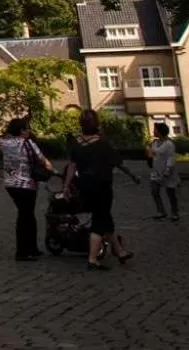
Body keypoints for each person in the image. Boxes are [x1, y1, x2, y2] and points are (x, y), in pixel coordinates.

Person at [65, 109, 140, 270]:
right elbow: (119, 163)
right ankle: (92, 258)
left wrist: (66, 185)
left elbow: (72, 165)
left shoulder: (75, 143)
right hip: (102, 185)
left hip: (85, 185)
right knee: (100, 220)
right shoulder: (102, 143)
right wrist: (133, 176)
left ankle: (119, 251)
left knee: (105, 217)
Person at [1, 118, 51, 261]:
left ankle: (32, 248)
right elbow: (42, 159)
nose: (29, 131)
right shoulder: (28, 143)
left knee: (26, 214)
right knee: (26, 216)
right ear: (21, 131)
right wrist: (52, 170)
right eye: (27, 128)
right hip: (27, 184)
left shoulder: (5, 143)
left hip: (11, 184)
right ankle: (23, 251)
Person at [147, 122, 180, 221]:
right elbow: (152, 155)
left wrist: (168, 169)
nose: (153, 131)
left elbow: (171, 158)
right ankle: (161, 211)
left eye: (155, 129)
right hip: (156, 171)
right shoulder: (154, 143)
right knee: (154, 191)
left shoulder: (169, 144)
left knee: (170, 193)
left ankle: (175, 213)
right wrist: (149, 155)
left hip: (167, 172)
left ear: (160, 131)